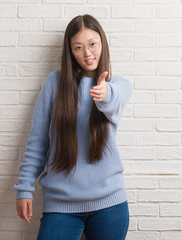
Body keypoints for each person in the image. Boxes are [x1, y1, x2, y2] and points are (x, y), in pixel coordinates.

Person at [14, 14, 132, 240]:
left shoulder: (118, 85)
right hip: (61, 205)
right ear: (70, 52)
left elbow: (113, 99)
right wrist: (24, 187)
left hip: (110, 204)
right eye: (78, 47)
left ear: (102, 44)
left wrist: (104, 94)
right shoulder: (54, 83)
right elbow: (38, 142)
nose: (87, 53)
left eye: (93, 45)